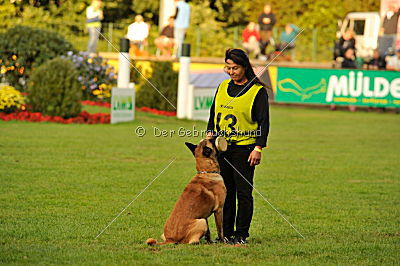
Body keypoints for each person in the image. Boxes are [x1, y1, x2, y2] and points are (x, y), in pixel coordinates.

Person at [206, 48, 270, 245]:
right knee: (226, 193)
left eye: (235, 68)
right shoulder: (223, 87)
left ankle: (241, 235)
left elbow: (263, 123)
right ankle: (225, 234)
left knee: (243, 193)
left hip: (245, 149)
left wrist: (258, 148)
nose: (231, 72)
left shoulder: (257, 91)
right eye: (228, 68)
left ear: (245, 67)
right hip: (222, 149)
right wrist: (210, 134)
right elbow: (213, 114)